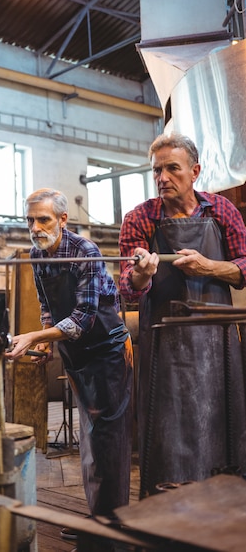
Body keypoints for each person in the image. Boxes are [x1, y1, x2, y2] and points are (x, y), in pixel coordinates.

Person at [119, 132, 246, 497]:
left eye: (172, 169)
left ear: (195, 172)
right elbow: (127, 286)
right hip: (165, 347)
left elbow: (243, 266)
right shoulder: (140, 218)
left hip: (218, 341)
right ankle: (167, 508)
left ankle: (228, 502)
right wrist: (142, 274)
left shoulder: (222, 211)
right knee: (168, 430)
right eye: (157, 170)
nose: (162, 178)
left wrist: (209, 268)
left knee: (224, 419)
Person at [6, 188, 134, 530]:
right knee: (89, 439)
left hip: (107, 352)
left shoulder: (85, 252)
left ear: (63, 219)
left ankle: (113, 525)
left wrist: (34, 336)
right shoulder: (37, 254)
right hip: (76, 355)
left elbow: (83, 319)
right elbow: (48, 306)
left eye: (43, 219)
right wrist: (47, 341)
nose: (35, 227)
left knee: (109, 440)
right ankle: (98, 519)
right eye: (30, 220)